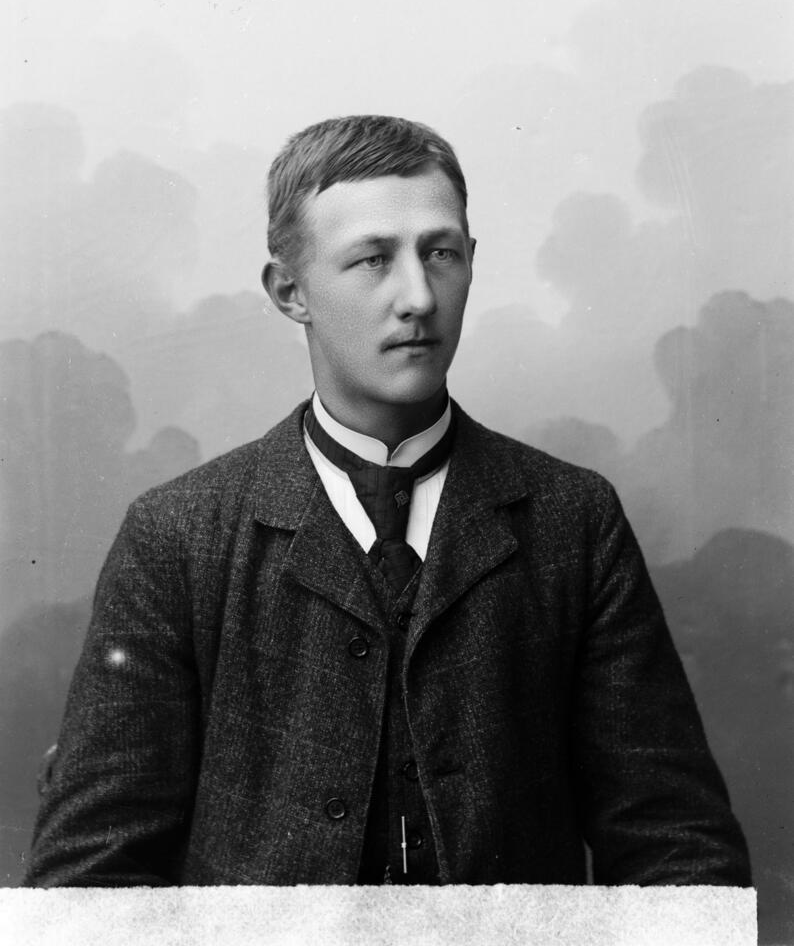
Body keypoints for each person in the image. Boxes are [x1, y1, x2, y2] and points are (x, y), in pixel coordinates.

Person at [25, 115, 752, 887]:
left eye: (440, 253)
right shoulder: (177, 536)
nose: (418, 297)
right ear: (290, 292)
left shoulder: (572, 520)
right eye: (372, 260)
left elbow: (678, 850)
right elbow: (87, 881)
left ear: (471, 262)